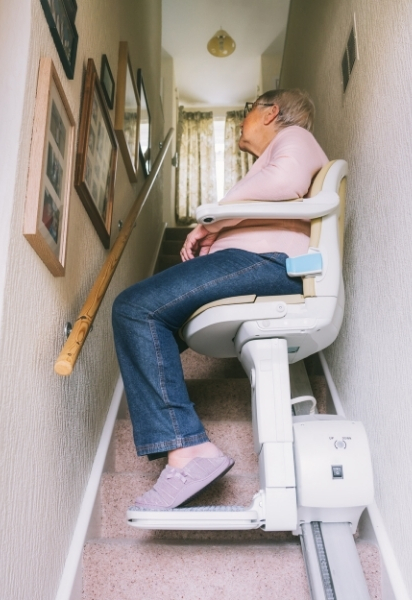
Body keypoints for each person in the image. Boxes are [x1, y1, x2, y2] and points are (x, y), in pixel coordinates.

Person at [112, 89, 328, 510]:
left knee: (135, 308)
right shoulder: (279, 152)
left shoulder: (295, 137)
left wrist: (211, 219)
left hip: (266, 262)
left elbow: (284, 182)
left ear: (272, 112)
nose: (242, 122)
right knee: (149, 322)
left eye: (248, 111)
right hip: (261, 261)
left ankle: (189, 451)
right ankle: (184, 448)